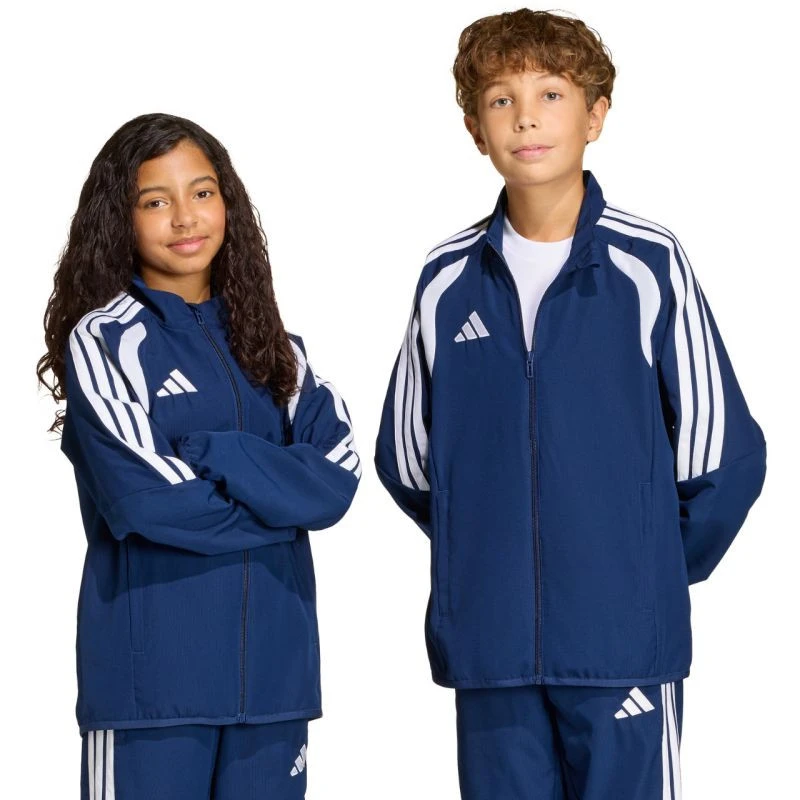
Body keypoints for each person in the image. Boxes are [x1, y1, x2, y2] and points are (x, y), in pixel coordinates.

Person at [374, 9, 766, 799]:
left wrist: (642, 572)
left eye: (550, 94)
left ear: (596, 115)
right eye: (501, 99)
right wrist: (490, 555)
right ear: (475, 129)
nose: (526, 117)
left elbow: (723, 454)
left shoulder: (648, 264)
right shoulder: (447, 279)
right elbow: (410, 461)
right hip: (491, 651)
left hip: (623, 646)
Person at [37, 113, 360, 800]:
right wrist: (281, 506)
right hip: (152, 690)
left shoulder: (278, 348)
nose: (185, 217)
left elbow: (335, 481)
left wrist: (223, 454)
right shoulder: (105, 340)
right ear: (119, 219)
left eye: (203, 192)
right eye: (156, 201)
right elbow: (146, 502)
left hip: (273, 684)